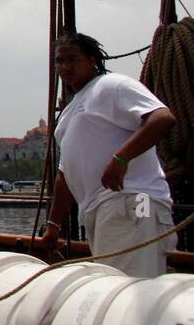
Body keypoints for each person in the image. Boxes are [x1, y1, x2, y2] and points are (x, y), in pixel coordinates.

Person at [35, 32, 177, 278]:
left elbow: (161, 117)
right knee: (115, 291)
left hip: (131, 201)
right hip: (100, 211)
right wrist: (53, 225)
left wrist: (120, 159)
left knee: (129, 294)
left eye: (73, 59)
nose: (65, 67)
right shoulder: (68, 113)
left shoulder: (112, 86)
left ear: (92, 60)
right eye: (59, 61)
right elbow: (64, 174)